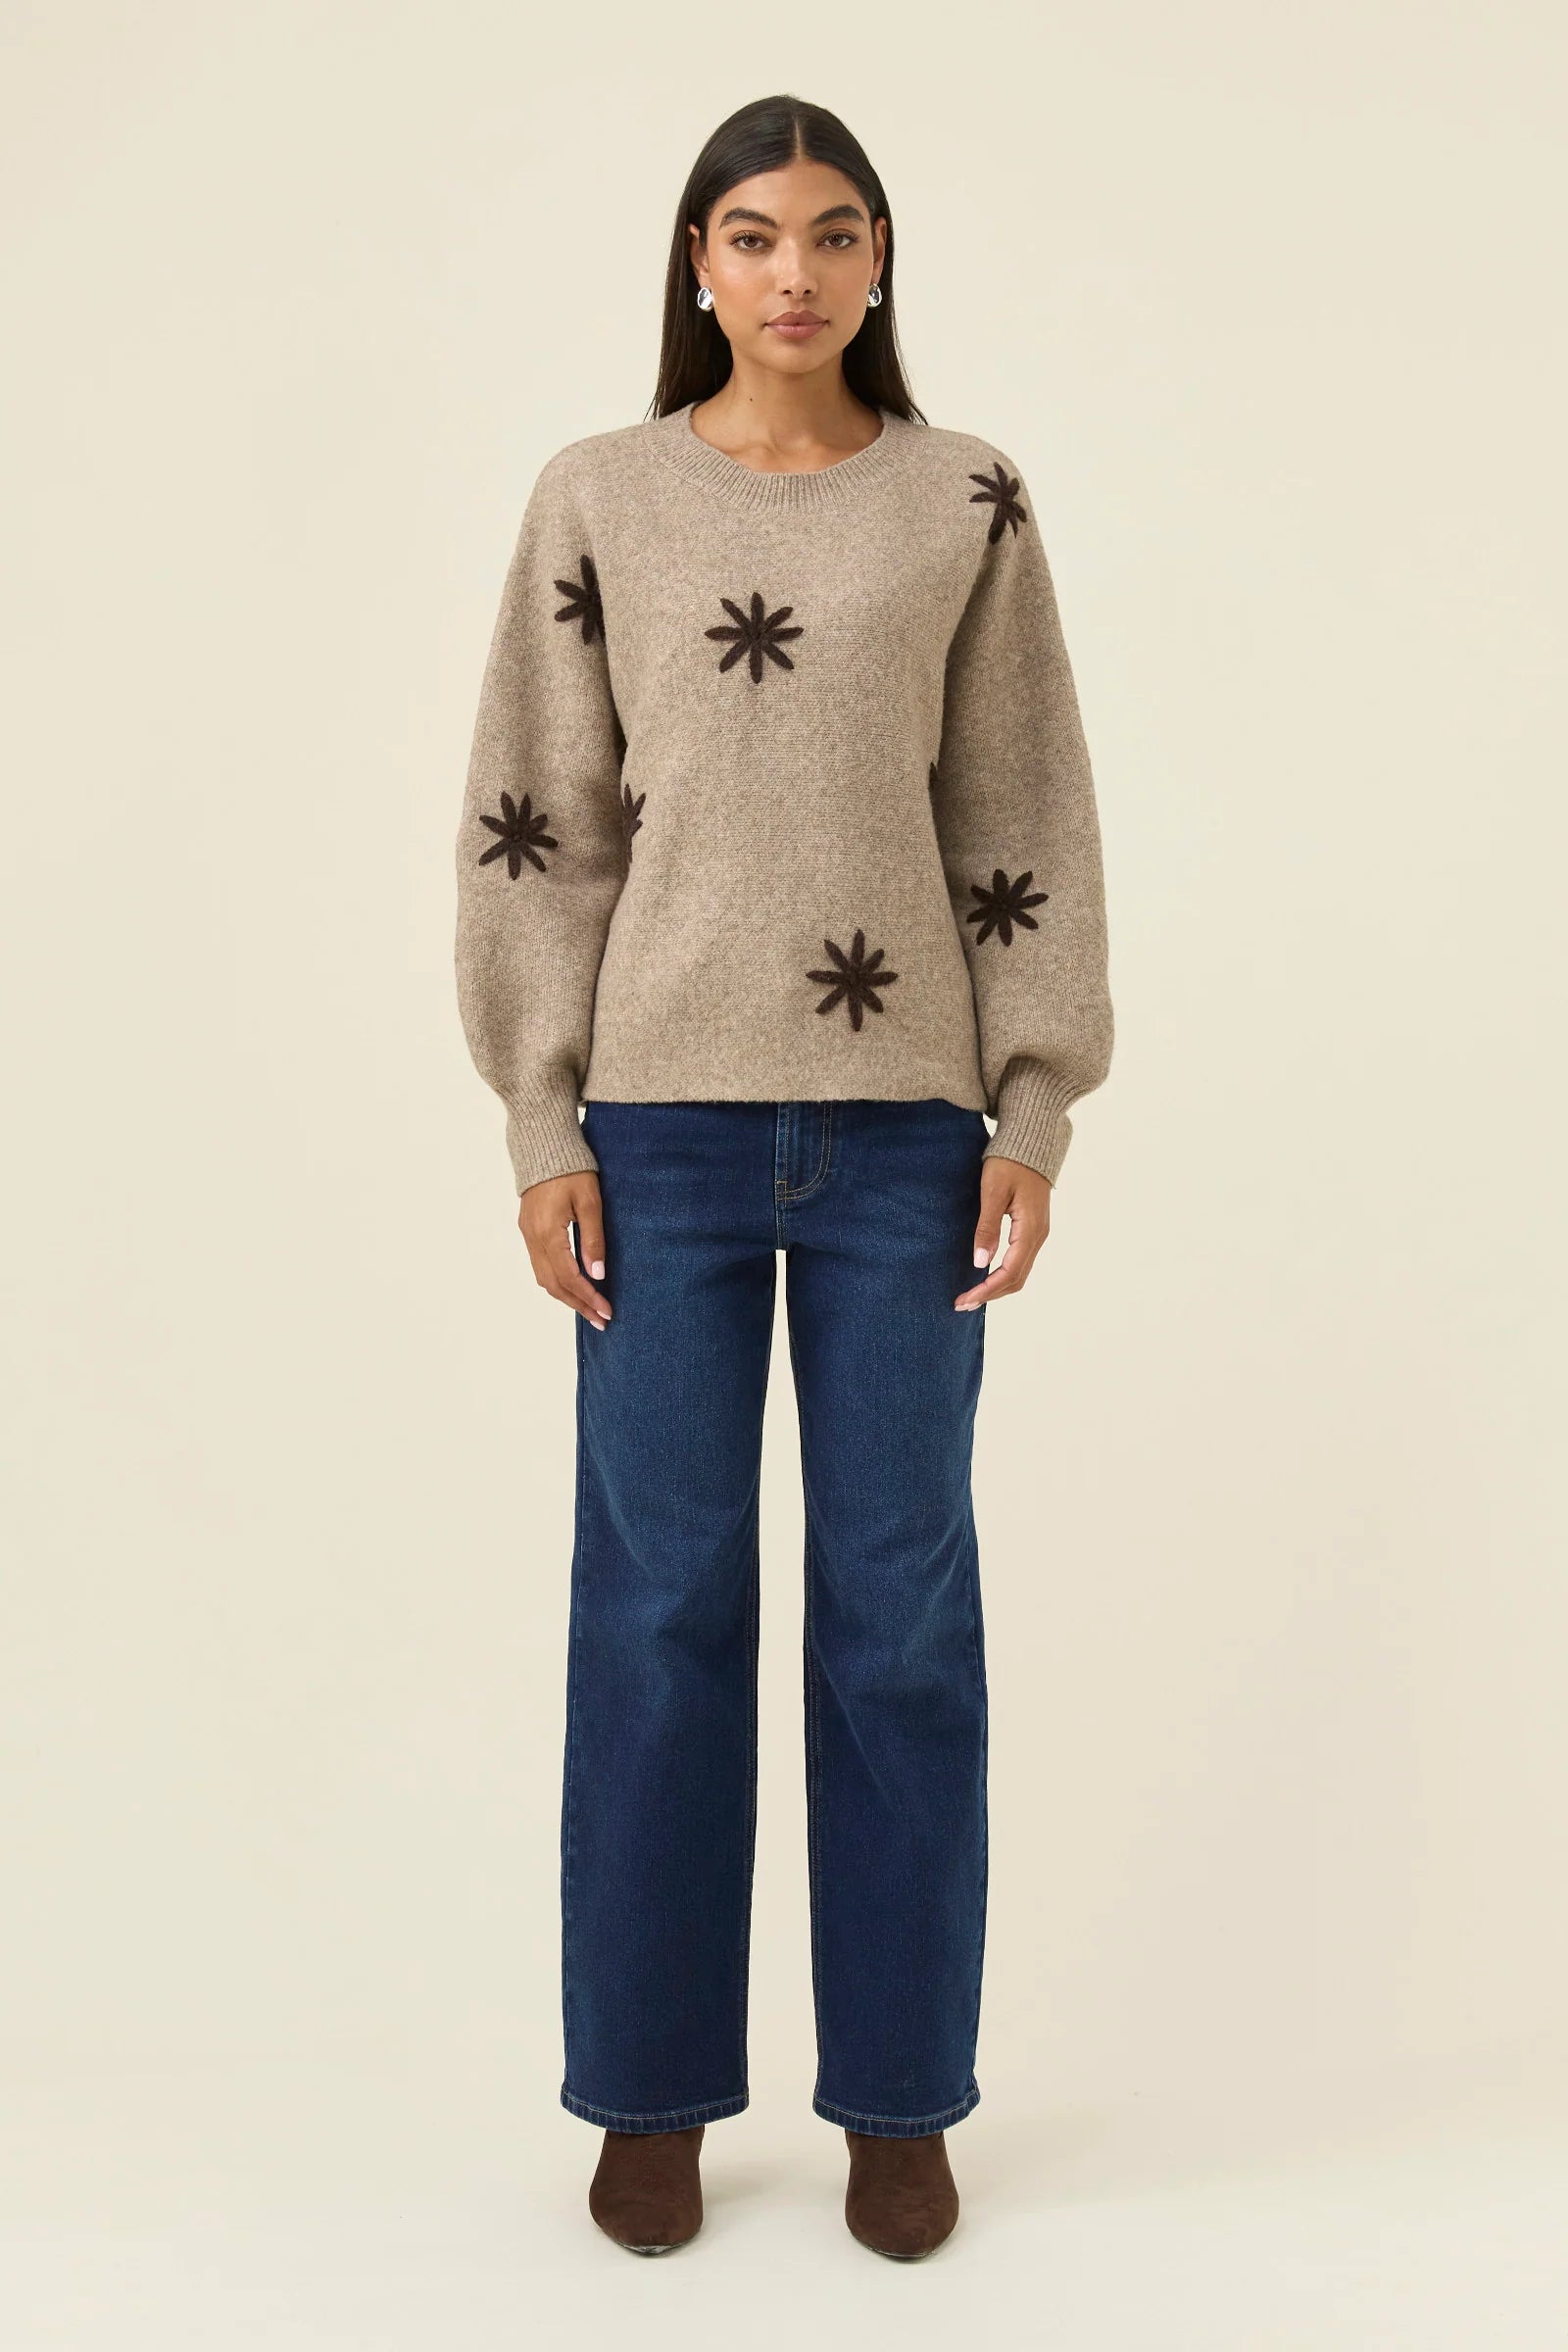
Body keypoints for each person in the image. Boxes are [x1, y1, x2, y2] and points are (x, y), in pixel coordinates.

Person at [454, 91, 1114, 2262]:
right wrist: (541, 1117)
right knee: (658, 1611)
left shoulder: (963, 496)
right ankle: (649, 2091)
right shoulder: (599, 496)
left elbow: (1018, 808)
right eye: (752, 235)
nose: (794, 272)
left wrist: (1031, 1105)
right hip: (654, 1137)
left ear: (880, 259)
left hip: (907, 1140)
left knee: (898, 1617)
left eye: (834, 233)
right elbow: (540, 823)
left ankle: (898, 2097)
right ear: (698, 264)